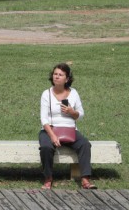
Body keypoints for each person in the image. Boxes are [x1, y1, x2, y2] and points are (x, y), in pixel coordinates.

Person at [39, 62, 96, 190]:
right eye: (55, 74)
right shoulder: (46, 94)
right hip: (50, 130)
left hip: (70, 129)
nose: (57, 77)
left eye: (60, 75)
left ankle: (85, 179)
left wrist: (72, 112)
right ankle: (48, 178)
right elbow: (43, 119)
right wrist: (52, 136)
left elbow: (80, 115)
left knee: (85, 144)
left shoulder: (74, 93)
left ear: (67, 78)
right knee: (46, 147)